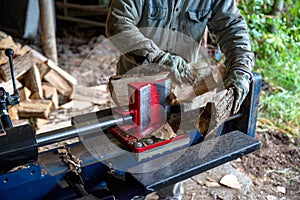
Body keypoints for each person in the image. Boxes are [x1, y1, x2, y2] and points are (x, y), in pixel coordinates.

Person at [106, 0, 254, 199]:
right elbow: (118, 23)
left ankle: (169, 196)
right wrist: (158, 57)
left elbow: (232, 27)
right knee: (133, 159)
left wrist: (242, 69)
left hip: (184, 90)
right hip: (137, 88)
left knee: (173, 161)